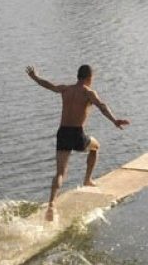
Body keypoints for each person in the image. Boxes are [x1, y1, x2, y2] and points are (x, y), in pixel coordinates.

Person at [26, 64, 130, 221]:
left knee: (60, 173)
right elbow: (102, 106)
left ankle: (51, 205)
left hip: (62, 132)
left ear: (77, 76)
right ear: (89, 78)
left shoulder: (66, 89)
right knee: (96, 147)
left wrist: (35, 77)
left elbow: (49, 85)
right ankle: (87, 179)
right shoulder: (88, 92)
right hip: (77, 133)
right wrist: (115, 120)